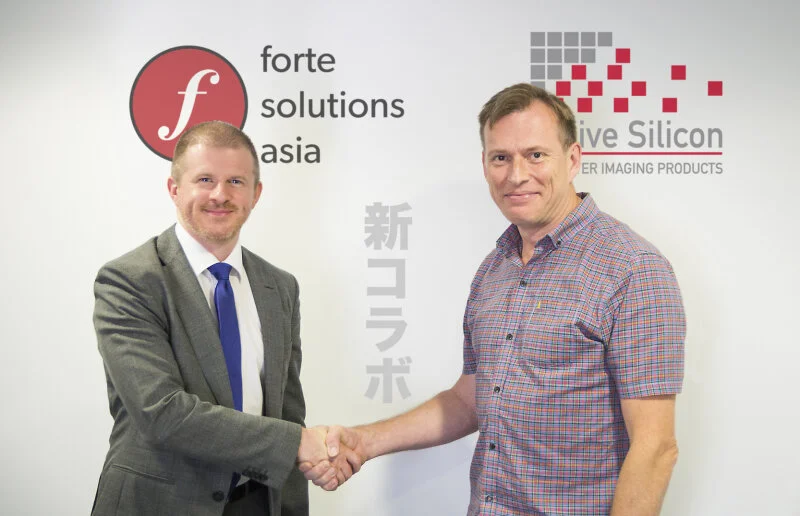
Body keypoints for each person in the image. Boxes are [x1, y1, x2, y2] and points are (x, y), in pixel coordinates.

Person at [306, 84, 686, 515]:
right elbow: (469, 398)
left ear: (573, 159)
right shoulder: (495, 267)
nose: (516, 174)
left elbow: (656, 447)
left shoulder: (632, 268)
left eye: (536, 155)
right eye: (500, 157)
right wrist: (364, 442)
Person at [92, 121, 350, 516]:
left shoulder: (280, 287)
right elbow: (161, 413)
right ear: (174, 188)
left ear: (255, 194)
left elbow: (287, 410)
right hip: (159, 505)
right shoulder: (129, 280)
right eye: (205, 179)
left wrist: (300, 479)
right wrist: (297, 443)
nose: (220, 195)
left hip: (256, 502)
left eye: (235, 181)